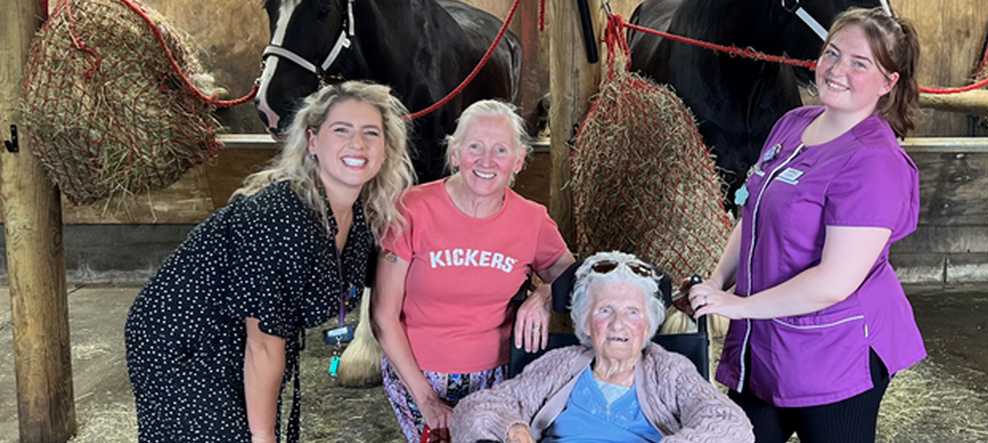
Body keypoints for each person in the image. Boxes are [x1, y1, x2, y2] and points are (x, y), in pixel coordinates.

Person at [124, 81, 414, 443]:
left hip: (242, 334)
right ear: (312, 142)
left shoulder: (358, 216)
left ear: (386, 149)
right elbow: (263, 345)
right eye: (342, 130)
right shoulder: (280, 217)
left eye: (371, 133)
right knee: (225, 431)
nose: (357, 144)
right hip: (182, 335)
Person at [687, 7, 925, 443]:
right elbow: (753, 215)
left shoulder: (874, 163)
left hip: (836, 351)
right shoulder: (792, 125)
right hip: (767, 338)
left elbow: (834, 282)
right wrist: (718, 281)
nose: (837, 70)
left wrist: (736, 306)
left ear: (888, 83)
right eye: (832, 53)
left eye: (860, 63)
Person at [372, 99, 576, 443]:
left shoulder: (532, 220)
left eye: (500, 150)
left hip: (497, 377)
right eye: (474, 147)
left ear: (519, 160)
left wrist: (544, 294)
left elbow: (574, 277)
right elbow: (383, 316)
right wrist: (426, 400)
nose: (486, 161)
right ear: (455, 153)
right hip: (417, 374)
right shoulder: (410, 209)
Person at [449, 251, 755, 443]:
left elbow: (731, 426)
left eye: (632, 312)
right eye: (605, 310)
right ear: (584, 322)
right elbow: (473, 410)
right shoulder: (558, 365)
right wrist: (512, 429)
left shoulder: (670, 370)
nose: (618, 324)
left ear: (648, 324)